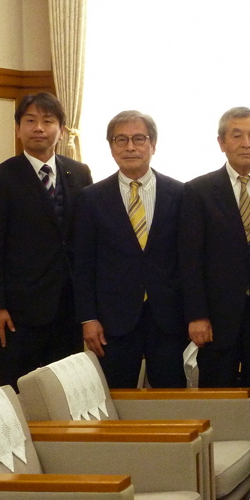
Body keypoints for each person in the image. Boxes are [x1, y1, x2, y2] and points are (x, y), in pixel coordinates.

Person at [179, 107, 250, 479]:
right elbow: (189, 260)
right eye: (238, 135)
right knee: (218, 400)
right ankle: (217, 476)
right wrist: (197, 314)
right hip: (215, 319)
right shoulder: (197, 191)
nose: (247, 142)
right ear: (221, 142)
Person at [0, 92, 93, 391]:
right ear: (18, 129)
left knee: (67, 393)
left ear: (62, 130)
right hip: (19, 313)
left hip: (69, 310)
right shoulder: (0, 179)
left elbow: (86, 240)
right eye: (30, 121)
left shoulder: (79, 173)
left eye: (47, 121)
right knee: (18, 392)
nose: (39, 128)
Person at [73, 111, 187, 389]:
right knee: (115, 398)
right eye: (120, 140)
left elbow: (189, 260)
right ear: (111, 147)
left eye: (139, 138)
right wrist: (88, 318)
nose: (130, 147)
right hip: (113, 319)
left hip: (168, 317)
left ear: (153, 145)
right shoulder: (91, 198)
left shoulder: (181, 193)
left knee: (171, 400)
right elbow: (83, 264)